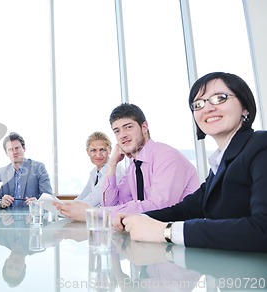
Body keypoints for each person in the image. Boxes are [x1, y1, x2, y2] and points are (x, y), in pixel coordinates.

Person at [114, 72, 267, 252]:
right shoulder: (221, 165)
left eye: (220, 98)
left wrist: (167, 231)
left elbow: (262, 229)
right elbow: (184, 210)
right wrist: (138, 218)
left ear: (245, 107)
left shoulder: (261, 146)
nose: (208, 108)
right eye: (198, 104)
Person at [56, 103, 200, 221]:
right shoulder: (133, 167)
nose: (122, 135)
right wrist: (112, 165)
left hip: (182, 239)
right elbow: (112, 204)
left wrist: (93, 213)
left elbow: (158, 207)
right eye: (117, 131)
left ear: (144, 127)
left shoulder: (166, 156)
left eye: (128, 127)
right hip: (151, 236)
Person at [0, 132, 53, 209]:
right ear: (6, 153)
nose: (14, 152)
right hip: (8, 219)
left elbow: (48, 196)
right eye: (11, 150)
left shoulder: (38, 168)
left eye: (17, 148)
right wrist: (0, 202)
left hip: (32, 218)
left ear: (24, 148)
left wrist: (37, 202)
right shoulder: (0, 173)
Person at [74, 131, 125, 206]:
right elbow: (83, 195)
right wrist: (66, 205)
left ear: (110, 150)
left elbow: (93, 201)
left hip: (116, 215)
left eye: (102, 150)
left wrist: (68, 208)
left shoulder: (116, 169)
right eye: (93, 150)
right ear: (88, 152)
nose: (98, 155)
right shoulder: (95, 172)